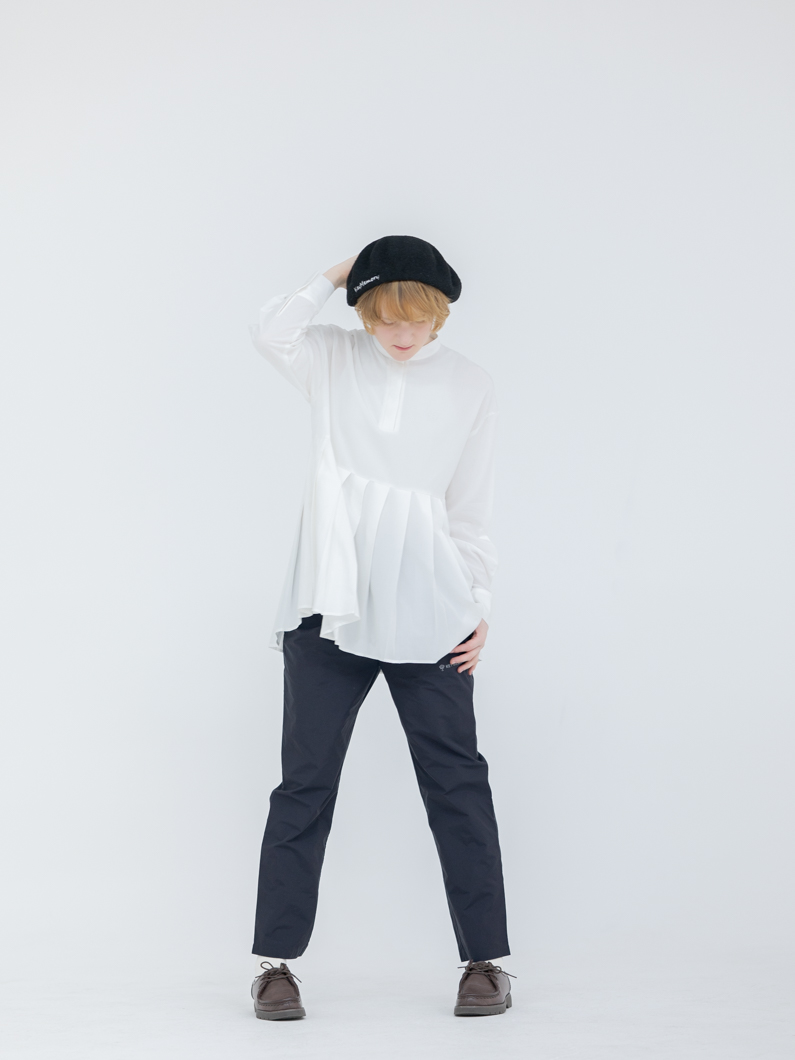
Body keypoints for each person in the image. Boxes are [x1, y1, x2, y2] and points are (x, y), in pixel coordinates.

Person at [248, 235, 513, 1020]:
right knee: (304, 783)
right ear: (363, 311)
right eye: (385, 315)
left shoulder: (469, 383)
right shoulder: (332, 358)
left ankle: (485, 962)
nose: (401, 332)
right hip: (328, 603)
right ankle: (273, 965)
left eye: (417, 316)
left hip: (429, 605)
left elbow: (469, 506)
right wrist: (341, 272)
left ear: (440, 314)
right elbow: (270, 331)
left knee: (456, 780)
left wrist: (477, 602)